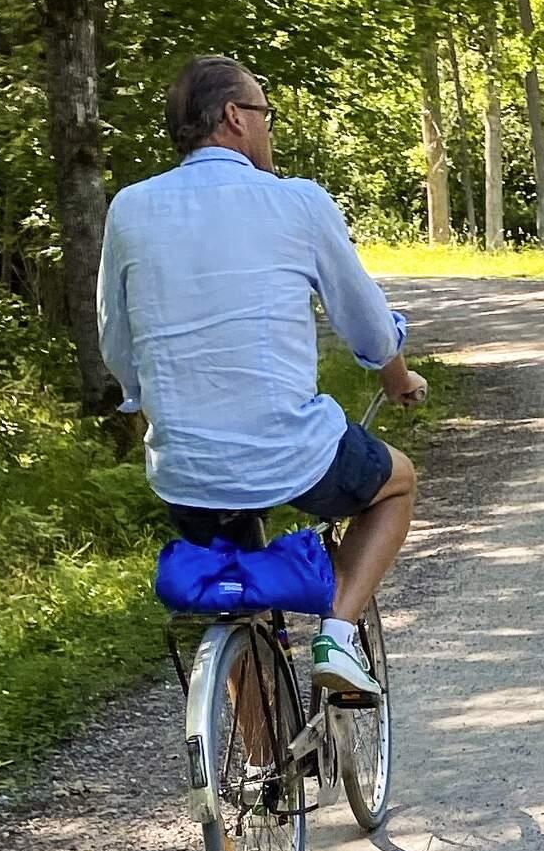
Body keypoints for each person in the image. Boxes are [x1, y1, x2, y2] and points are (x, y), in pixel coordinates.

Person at [98, 54, 428, 696]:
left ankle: (250, 753)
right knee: (396, 484)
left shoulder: (130, 209)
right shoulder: (296, 201)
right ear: (234, 117)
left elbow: (117, 338)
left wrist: (145, 398)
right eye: (265, 115)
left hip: (186, 464)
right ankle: (338, 634)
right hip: (291, 453)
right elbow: (366, 323)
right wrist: (396, 377)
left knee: (234, 603)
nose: (269, 130)